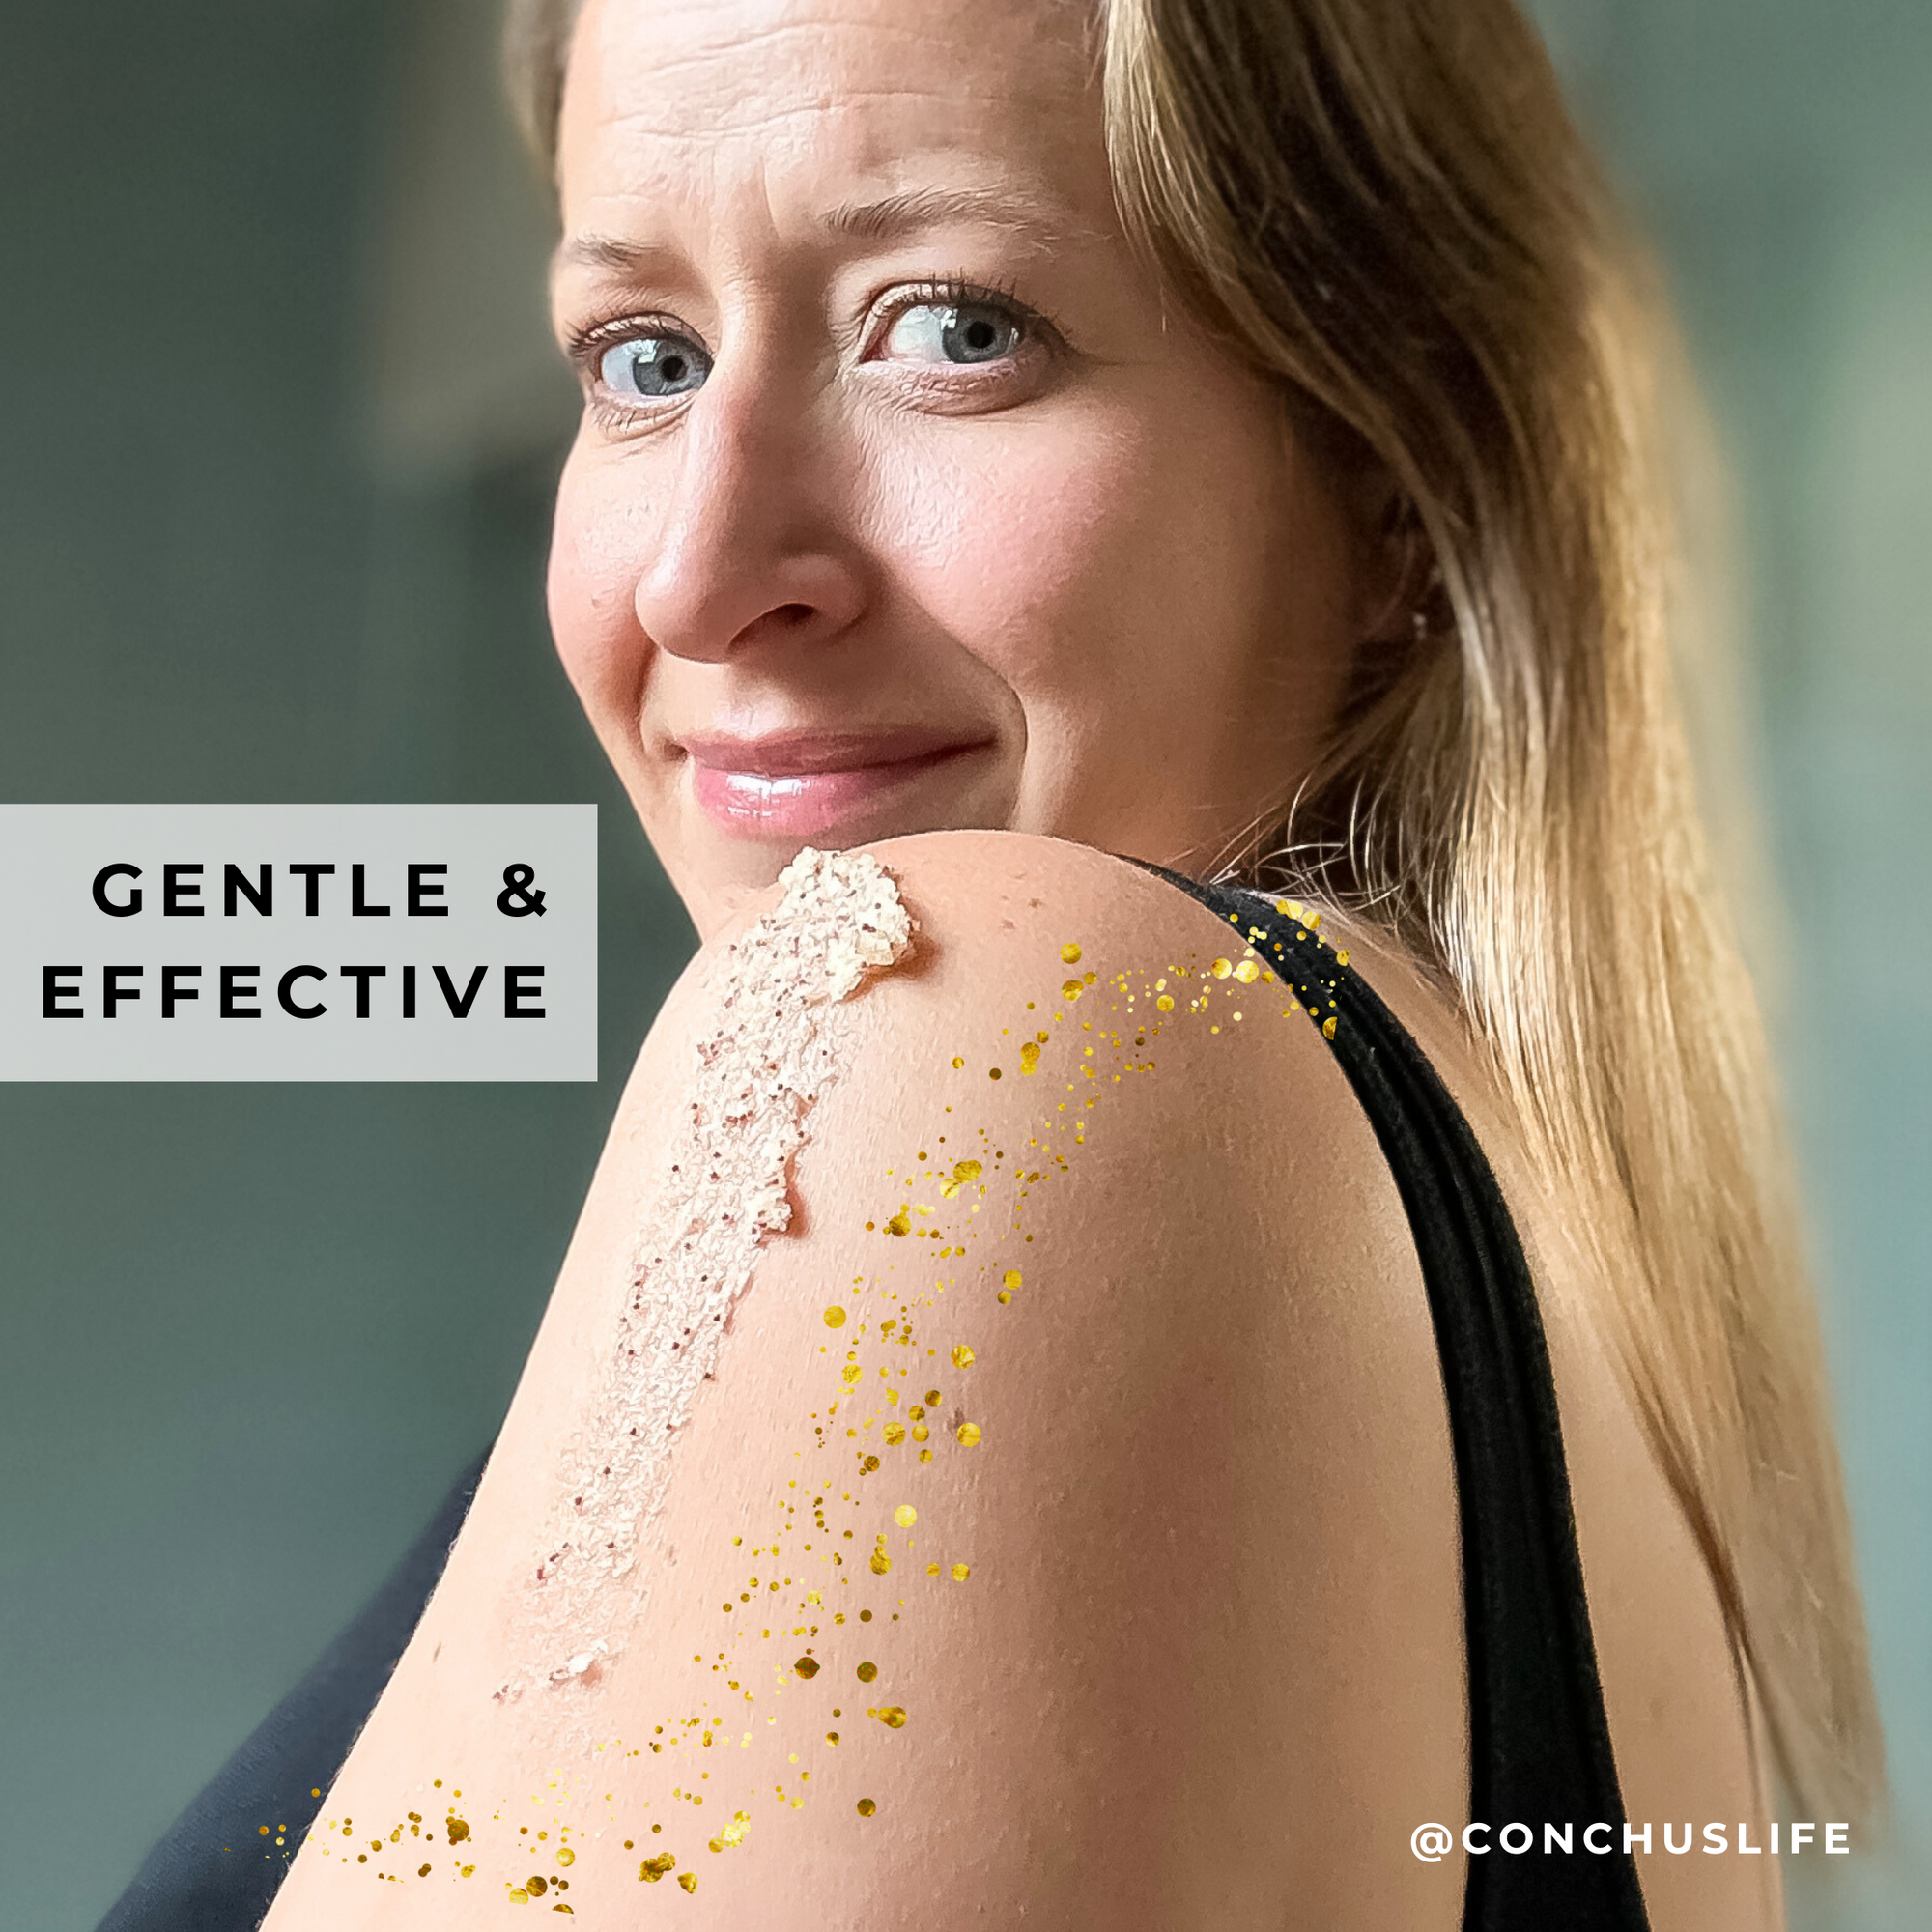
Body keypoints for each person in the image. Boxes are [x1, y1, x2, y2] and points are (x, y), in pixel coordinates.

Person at [101, 0, 1882, 1926]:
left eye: (954, 328)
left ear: (1390, 476)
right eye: (643, 357)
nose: (701, 575)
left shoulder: (991, 1024)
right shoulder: (1510, 1302)